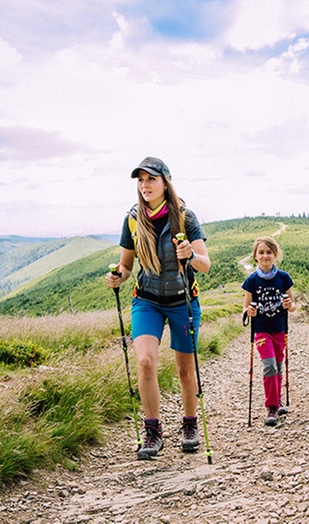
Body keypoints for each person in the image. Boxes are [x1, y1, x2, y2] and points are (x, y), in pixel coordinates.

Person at [106, 156, 211, 460]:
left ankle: (190, 425)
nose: (145, 185)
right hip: (147, 299)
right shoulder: (132, 220)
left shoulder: (185, 217)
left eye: (150, 179)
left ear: (165, 181)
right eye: (140, 180)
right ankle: (153, 432)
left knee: (184, 369)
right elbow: (126, 267)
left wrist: (190, 253)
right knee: (146, 363)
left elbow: (205, 265)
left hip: (183, 301)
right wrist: (117, 278)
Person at [242, 236, 296, 426]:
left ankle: (277, 399)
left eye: (269, 252)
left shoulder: (283, 278)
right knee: (270, 366)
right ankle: (271, 407)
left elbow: (293, 305)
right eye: (261, 252)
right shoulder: (252, 281)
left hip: (279, 329)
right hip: (261, 331)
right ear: (255, 256)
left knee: (279, 366)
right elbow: (245, 307)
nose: (265, 256)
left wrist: (289, 305)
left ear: (275, 255)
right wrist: (248, 312)